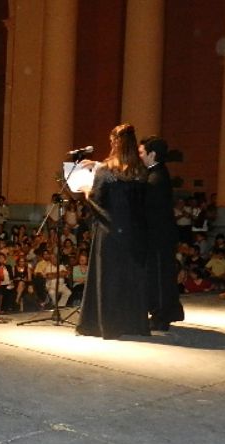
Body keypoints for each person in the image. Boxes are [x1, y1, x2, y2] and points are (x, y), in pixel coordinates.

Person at [76, 123, 150, 339]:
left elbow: (98, 201)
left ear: (116, 143)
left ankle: (106, 325)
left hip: (109, 233)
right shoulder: (141, 171)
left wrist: (86, 191)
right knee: (129, 278)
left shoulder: (105, 171)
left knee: (108, 278)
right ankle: (131, 324)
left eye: (111, 141)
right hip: (133, 233)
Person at [139, 136, 184, 331]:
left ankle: (160, 317)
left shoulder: (155, 178)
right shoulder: (157, 173)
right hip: (161, 236)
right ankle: (168, 312)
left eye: (141, 152)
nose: (139, 156)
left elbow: (148, 209)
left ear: (152, 154)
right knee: (163, 275)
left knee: (158, 277)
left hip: (158, 237)